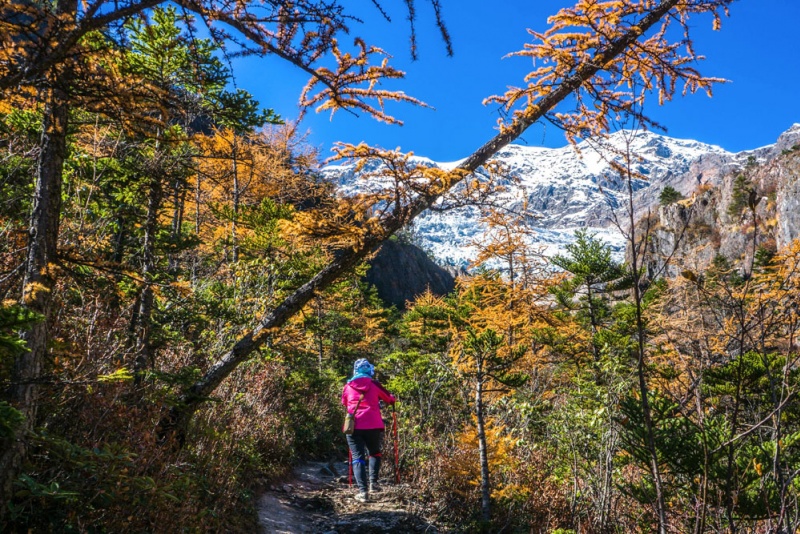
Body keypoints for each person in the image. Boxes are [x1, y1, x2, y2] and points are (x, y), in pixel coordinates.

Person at [341, 358, 396, 503]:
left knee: (358, 457)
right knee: (374, 453)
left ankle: (362, 492)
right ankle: (373, 484)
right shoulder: (374, 384)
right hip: (373, 424)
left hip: (354, 426)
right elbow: (390, 399)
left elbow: (345, 403)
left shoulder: (348, 386)